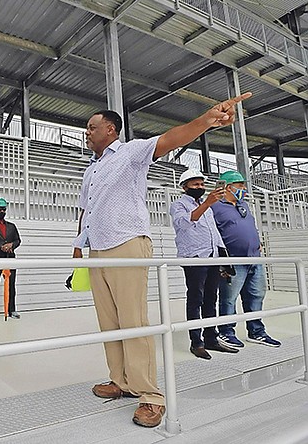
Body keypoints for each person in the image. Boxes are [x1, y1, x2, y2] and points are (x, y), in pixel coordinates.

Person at [73, 92, 251, 428]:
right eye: (86, 128)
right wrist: (78, 245)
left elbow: (171, 139)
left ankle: (150, 396)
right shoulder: (91, 170)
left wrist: (206, 120)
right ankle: (121, 381)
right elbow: (86, 210)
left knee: (134, 322)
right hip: (97, 248)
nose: (87, 132)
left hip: (127, 244)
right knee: (109, 323)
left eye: (92, 127)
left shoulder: (130, 152)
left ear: (111, 130)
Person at [169, 169, 239, 359]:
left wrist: (223, 260)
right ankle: (196, 342)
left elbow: (214, 233)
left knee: (211, 299)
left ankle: (211, 338)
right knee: (195, 299)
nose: (200, 187)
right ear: (185, 187)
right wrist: (207, 203)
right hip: (194, 257)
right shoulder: (178, 205)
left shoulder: (208, 207)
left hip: (212, 257)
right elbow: (184, 223)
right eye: (195, 184)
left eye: (202, 184)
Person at [211, 170, 281, 348]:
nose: (243, 188)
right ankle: (226, 332)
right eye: (240, 185)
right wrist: (221, 262)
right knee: (229, 298)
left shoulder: (244, 205)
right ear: (228, 187)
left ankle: (256, 331)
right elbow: (212, 234)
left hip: (255, 259)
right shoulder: (214, 207)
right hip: (233, 261)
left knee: (256, 296)